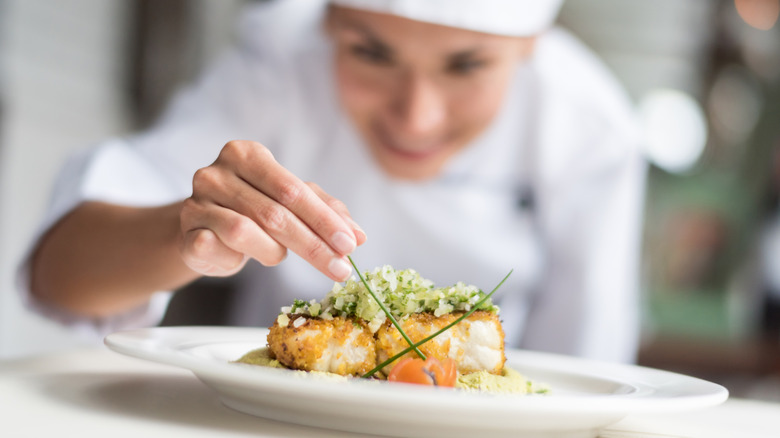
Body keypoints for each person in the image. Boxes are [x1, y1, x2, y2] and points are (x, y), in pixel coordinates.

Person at [19, 0, 646, 363]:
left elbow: (586, 361)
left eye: (467, 65)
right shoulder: (279, 67)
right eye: (370, 53)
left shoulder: (587, 124)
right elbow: (61, 275)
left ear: (532, 45)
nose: (416, 116)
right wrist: (184, 231)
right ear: (327, 25)